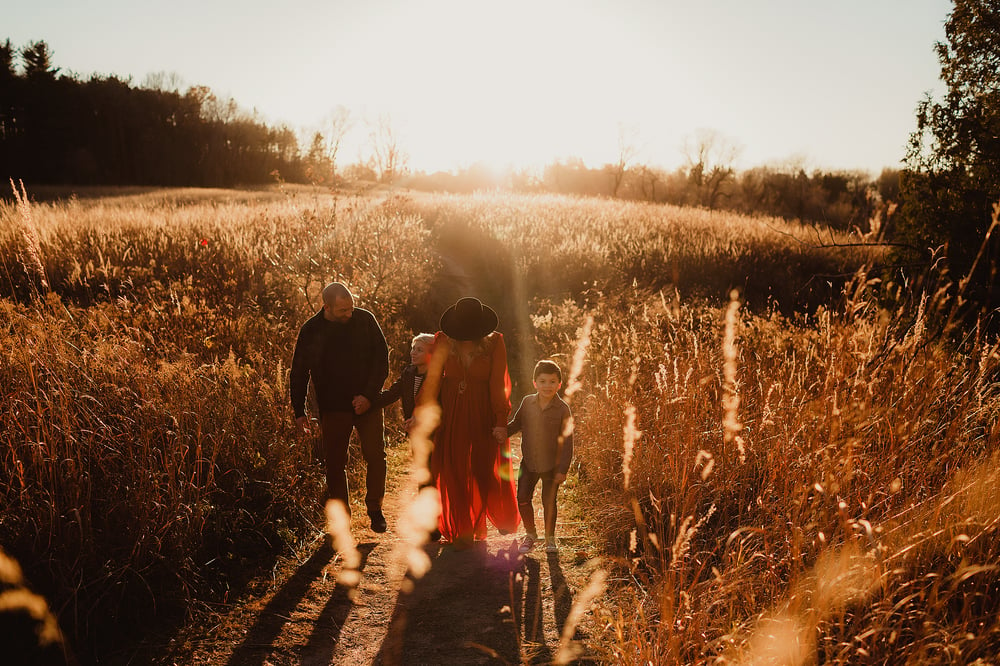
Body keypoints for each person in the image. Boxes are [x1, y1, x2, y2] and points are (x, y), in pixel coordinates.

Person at [290, 282, 390, 533]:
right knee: (335, 464)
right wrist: (299, 412)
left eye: (351, 307)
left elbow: (381, 360)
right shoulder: (311, 330)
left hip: (367, 404)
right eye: (343, 310)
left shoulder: (365, 320)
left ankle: (375, 508)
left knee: (376, 456)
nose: (349, 313)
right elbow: (299, 373)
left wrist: (368, 396)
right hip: (333, 406)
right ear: (326, 307)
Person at [421, 297, 519, 547]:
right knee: (452, 468)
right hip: (451, 413)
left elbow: (499, 384)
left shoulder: (495, 343)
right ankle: (462, 528)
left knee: (482, 468)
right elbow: (433, 380)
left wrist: (500, 420)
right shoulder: (443, 340)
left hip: (483, 411)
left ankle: (485, 521)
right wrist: (422, 414)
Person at [507, 359, 574, 554]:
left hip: (551, 466)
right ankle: (530, 534)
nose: (547, 386)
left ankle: (550, 538)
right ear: (535, 382)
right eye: (543, 381)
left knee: (548, 502)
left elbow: (568, 441)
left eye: (552, 381)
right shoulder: (528, 402)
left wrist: (563, 470)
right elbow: (515, 424)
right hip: (529, 462)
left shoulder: (563, 409)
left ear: (559, 384)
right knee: (523, 498)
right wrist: (501, 432)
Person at [379, 333, 435, 433]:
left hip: (433, 431)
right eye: (413, 348)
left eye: (419, 350)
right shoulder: (408, 373)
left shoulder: (439, 377)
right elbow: (392, 393)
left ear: (432, 354)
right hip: (413, 429)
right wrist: (369, 401)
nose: (413, 353)